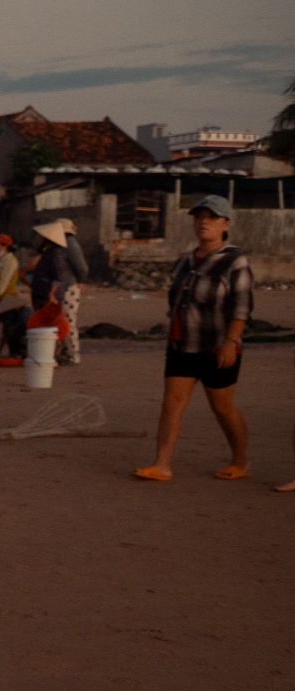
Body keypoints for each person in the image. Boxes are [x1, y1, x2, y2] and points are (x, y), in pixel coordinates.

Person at [136, 195, 251, 481]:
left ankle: (240, 460)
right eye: (199, 217)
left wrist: (230, 342)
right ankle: (162, 464)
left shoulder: (235, 261)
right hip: (181, 344)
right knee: (172, 402)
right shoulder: (184, 260)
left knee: (223, 407)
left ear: (226, 224)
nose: (204, 222)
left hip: (216, 347)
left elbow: (242, 306)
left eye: (212, 217)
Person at [34, 219, 88, 364]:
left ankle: (72, 355)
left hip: (67, 288)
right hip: (63, 287)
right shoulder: (61, 245)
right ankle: (66, 354)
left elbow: (81, 268)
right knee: (63, 322)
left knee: (67, 322)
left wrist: (81, 280)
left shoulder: (69, 244)